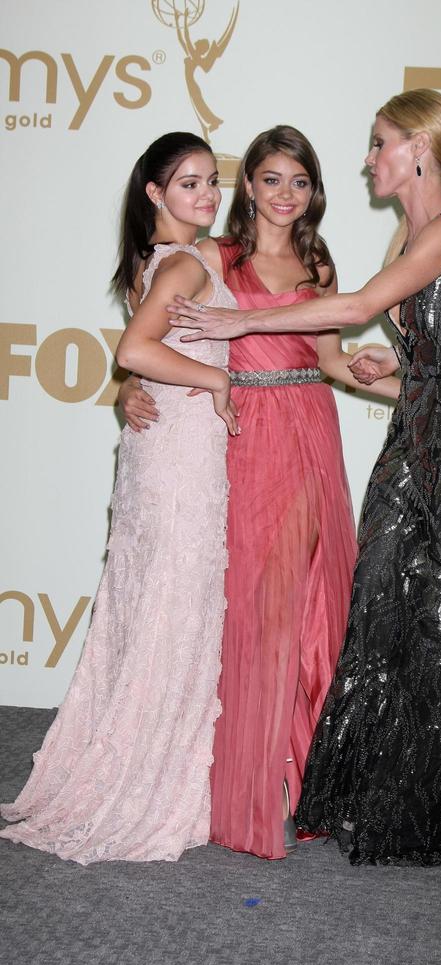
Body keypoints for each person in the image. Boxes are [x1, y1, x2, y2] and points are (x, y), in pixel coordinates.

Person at [167, 90, 441, 866]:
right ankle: (375, 790)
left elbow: (357, 306)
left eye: (380, 143)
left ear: (418, 147)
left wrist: (245, 321)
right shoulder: (409, 230)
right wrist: (402, 366)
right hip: (419, 422)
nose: (368, 158)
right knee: (383, 601)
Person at [119, 124, 401, 860]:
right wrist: (128, 389)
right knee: (253, 609)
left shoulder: (318, 260)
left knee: (317, 605)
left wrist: (394, 381)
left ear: (314, 193)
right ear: (247, 186)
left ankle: (309, 777)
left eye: (299, 182)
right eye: (270, 179)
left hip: (312, 429)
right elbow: (159, 337)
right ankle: (241, 786)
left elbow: (333, 362)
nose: (284, 194)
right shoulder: (215, 256)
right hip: (246, 437)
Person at [0, 132, 238, 864]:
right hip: (179, 461)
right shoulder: (181, 263)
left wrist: (144, 389)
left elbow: (147, 361)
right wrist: (217, 382)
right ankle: (143, 786)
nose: (206, 195)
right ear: (155, 194)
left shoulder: (158, 260)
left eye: (210, 181)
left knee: (151, 606)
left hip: (158, 452)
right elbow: (134, 352)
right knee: (170, 605)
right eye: (188, 184)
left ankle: (133, 767)